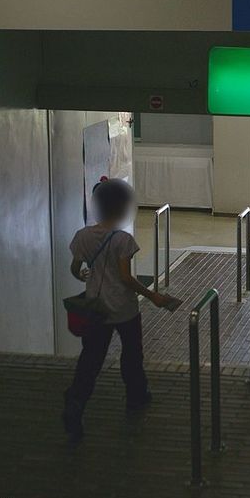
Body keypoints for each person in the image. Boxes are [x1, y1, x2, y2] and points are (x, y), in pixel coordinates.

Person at [62, 177, 176, 442]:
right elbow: (126, 278)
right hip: (124, 310)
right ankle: (136, 396)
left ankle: (76, 402)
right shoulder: (123, 240)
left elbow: (75, 268)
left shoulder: (83, 236)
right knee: (131, 355)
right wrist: (153, 296)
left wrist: (84, 277)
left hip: (96, 309)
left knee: (90, 359)